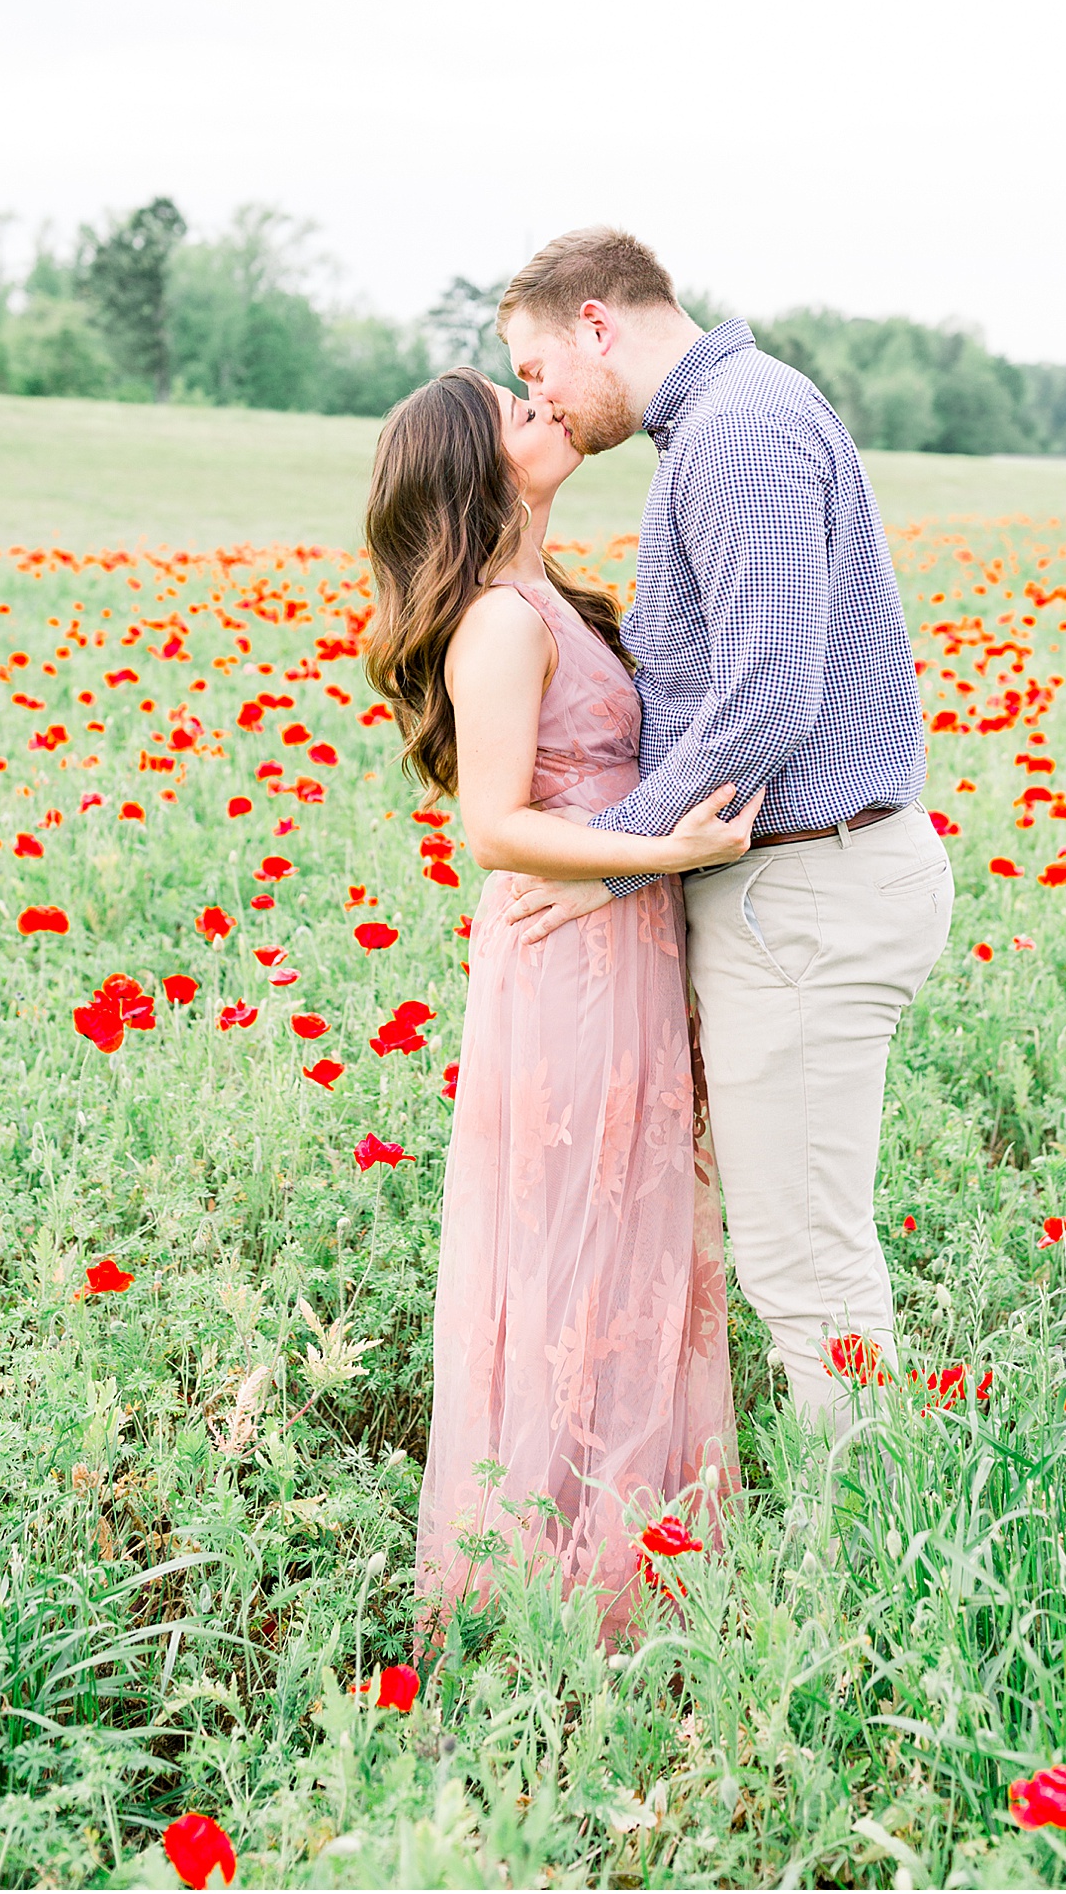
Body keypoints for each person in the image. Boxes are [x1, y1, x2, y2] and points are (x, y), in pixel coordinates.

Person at [497, 227, 953, 1423]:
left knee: (806, 1267)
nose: (536, 395)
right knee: (801, 1252)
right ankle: (859, 1539)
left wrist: (621, 863)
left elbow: (767, 697)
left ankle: (865, 1564)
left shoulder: (738, 429)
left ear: (597, 321)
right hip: (798, 886)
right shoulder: (716, 425)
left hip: (806, 891)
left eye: (538, 364)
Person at [364, 367, 751, 1630]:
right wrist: (665, 857)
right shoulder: (498, 623)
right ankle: (552, 1591)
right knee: (573, 1250)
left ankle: (634, 1566)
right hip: (565, 968)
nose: (541, 409)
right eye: (508, 409)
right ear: (475, 464)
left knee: (632, 1240)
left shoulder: (553, 600)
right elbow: (493, 826)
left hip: (621, 949)